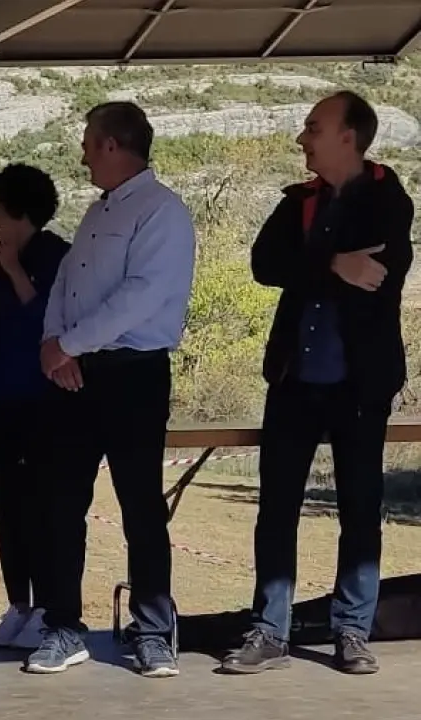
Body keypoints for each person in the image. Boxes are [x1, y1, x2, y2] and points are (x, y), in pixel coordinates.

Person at [220, 91, 414, 676]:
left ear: (348, 137)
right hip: (294, 378)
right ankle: (268, 632)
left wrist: (309, 263)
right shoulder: (298, 201)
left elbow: (378, 274)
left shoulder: (388, 198)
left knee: (359, 507)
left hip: (360, 382)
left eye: (313, 127)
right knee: (277, 508)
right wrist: (332, 264)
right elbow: (263, 265)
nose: (301, 138)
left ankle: (352, 631)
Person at [27, 101, 197, 678]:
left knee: (141, 507)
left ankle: (152, 633)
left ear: (110, 145)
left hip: (133, 374)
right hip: (76, 374)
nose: (82, 157)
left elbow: (140, 296)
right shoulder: (95, 211)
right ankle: (63, 627)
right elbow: (66, 283)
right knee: (62, 504)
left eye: (86, 144)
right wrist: (55, 345)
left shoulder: (162, 210)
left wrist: (69, 343)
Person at [0, 164, 70, 649]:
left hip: (42, 400)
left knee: (42, 506)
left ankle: (48, 607)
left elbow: (49, 325)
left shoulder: (58, 256)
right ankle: (18, 605)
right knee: (7, 506)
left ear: (22, 214)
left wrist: (13, 270)